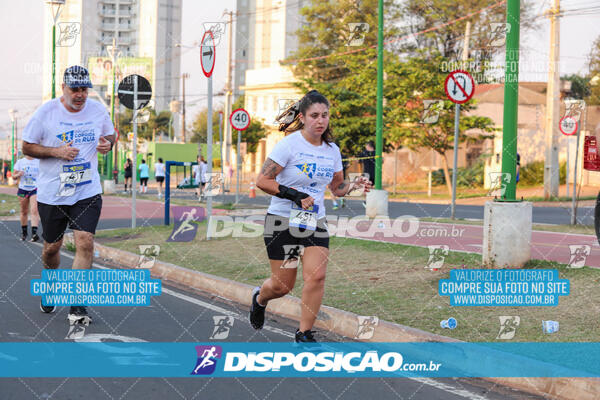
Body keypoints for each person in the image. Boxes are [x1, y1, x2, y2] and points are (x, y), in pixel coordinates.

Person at [250, 90, 372, 343]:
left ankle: (303, 333)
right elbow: (262, 180)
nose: (320, 120)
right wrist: (294, 195)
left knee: (316, 276)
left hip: (313, 221)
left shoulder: (332, 150)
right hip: (282, 220)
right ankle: (260, 298)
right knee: (282, 286)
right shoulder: (289, 145)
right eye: (314, 115)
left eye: (325, 115)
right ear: (303, 117)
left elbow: (336, 189)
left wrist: (355, 185)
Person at [22, 65, 115, 322]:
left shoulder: (97, 109)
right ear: (63, 88)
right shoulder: (46, 113)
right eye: (75, 89)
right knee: (52, 248)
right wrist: (56, 152)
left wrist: (109, 144)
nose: (80, 95)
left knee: (85, 240)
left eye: (84, 89)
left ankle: (77, 304)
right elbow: (26, 147)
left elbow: (111, 134)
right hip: (53, 193)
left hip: (87, 189)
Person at [12, 155, 40, 241]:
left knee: (34, 210)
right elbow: (13, 176)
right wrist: (18, 174)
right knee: (24, 211)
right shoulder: (20, 162)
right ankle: (24, 233)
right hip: (23, 189)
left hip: (35, 188)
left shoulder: (39, 161)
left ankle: (34, 234)